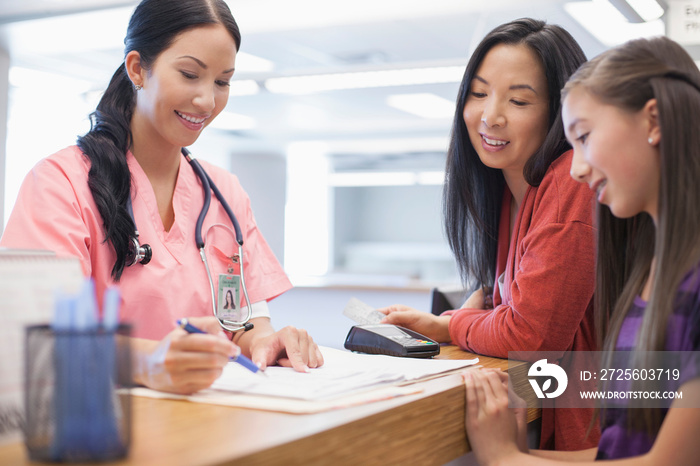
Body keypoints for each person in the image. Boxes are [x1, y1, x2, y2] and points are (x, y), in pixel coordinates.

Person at [0, 0, 323, 395]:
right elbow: (40, 336)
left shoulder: (224, 194)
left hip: (214, 421)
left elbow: (245, 320)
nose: (207, 100)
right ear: (137, 68)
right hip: (104, 429)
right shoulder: (61, 184)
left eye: (222, 82)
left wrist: (263, 340)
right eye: (190, 74)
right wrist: (147, 362)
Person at [464, 35, 700, 464]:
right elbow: (619, 451)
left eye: (585, 137)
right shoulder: (655, 278)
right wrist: (522, 453)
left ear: (653, 122)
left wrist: (505, 459)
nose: (575, 168)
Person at [377, 19, 597, 450]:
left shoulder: (570, 180)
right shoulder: (508, 192)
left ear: (560, 111)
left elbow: (530, 337)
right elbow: (512, 313)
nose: (490, 116)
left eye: (518, 100)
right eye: (478, 94)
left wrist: (453, 325)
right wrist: (468, 318)